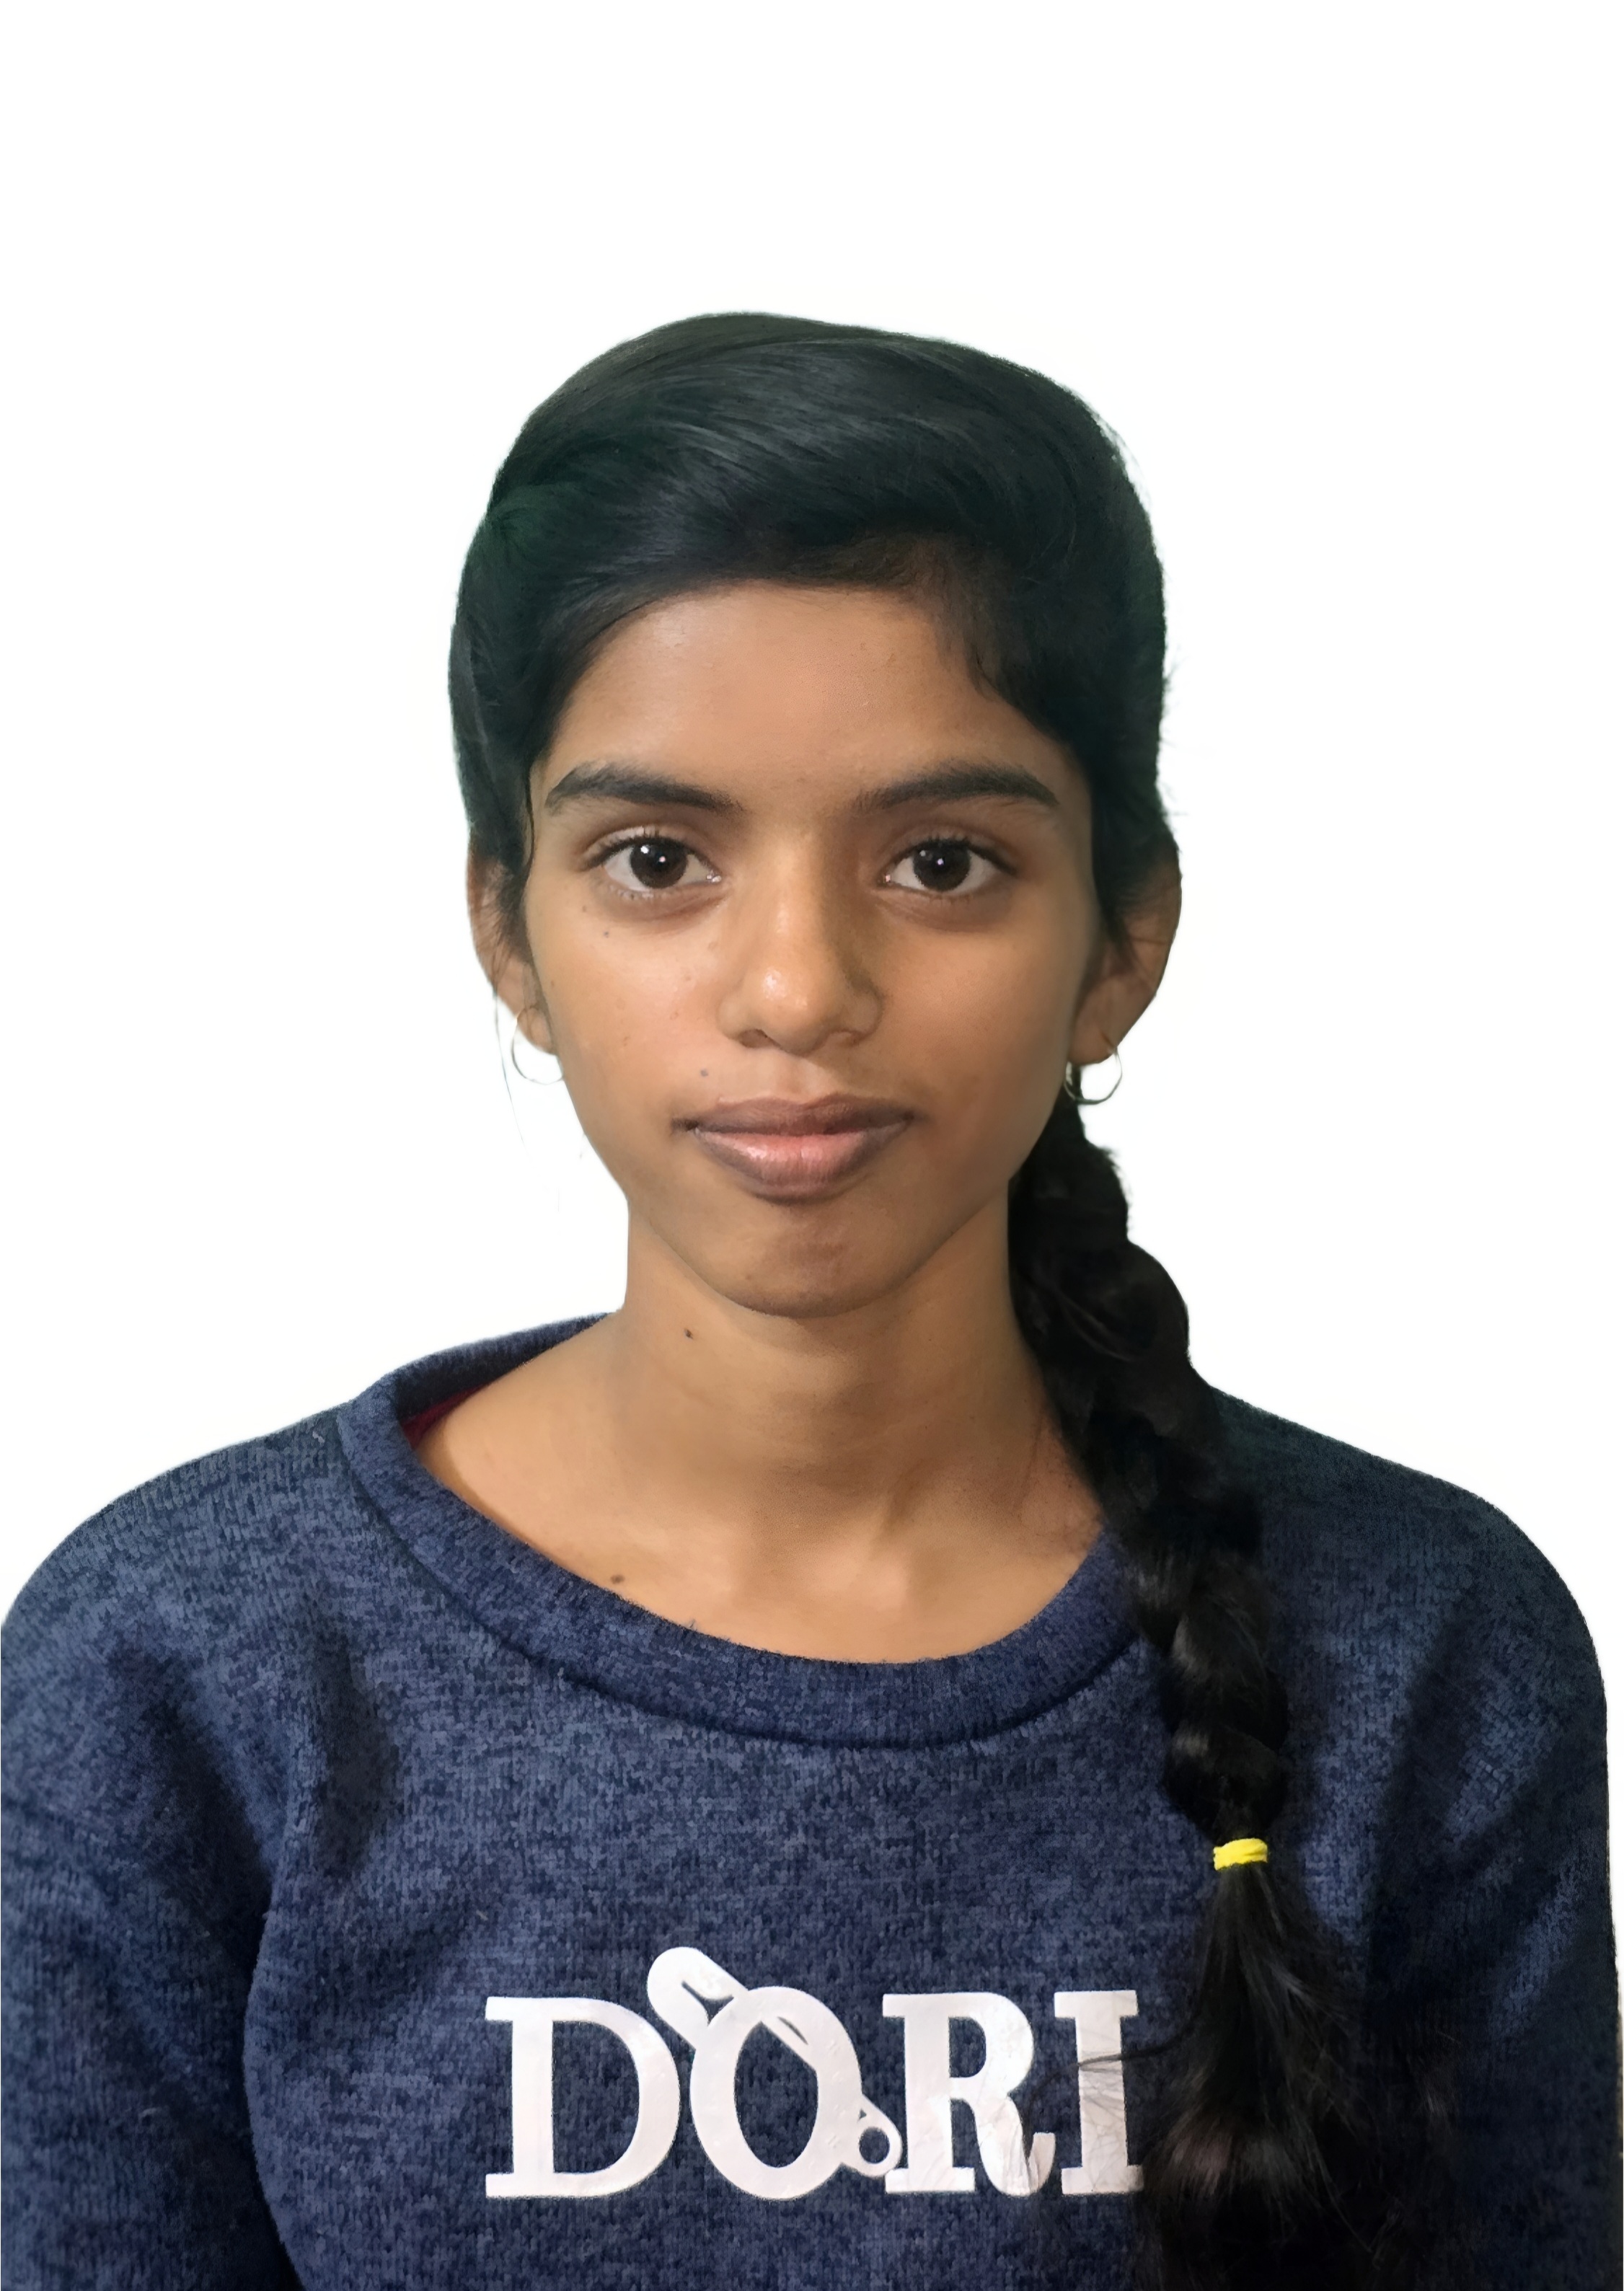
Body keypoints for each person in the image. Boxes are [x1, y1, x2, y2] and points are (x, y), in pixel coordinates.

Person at [3, 315, 1616, 2291]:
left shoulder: (1426, 1646)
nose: (796, 988)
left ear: (1122, 936)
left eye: (940, 860)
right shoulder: (184, 1665)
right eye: (656, 859)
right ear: (508, 926)